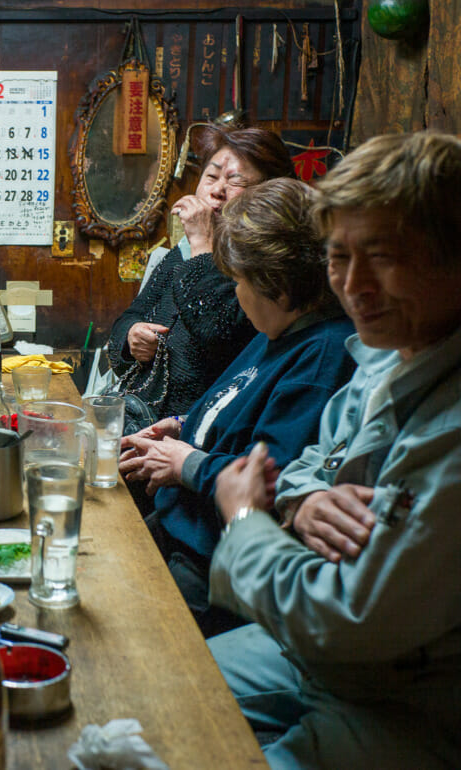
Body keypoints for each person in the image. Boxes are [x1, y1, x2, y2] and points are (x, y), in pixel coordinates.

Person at [206, 131, 461, 768]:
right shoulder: (395, 342)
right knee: (155, 687)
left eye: (383, 256)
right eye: (338, 256)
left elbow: (347, 618)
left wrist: (245, 518)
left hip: (419, 707)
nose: (355, 286)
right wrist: (303, 505)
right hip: (325, 661)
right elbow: (307, 465)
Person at [118, 178, 356, 636]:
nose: (236, 294)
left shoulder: (322, 354)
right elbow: (239, 407)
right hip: (177, 529)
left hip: (210, 564)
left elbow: (268, 479)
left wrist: (187, 463)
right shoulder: (278, 330)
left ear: (277, 288)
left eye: (239, 282)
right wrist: (184, 425)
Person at [106, 125, 296, 423]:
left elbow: (218, 333)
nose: (217, 190)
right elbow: (129, 318)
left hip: (196, 431)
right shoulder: (180, 254)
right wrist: (131, 339)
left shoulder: (269, 267)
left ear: (269, 193)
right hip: (140, 416)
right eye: (211, 175)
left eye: (235, 181)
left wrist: (203, 244)